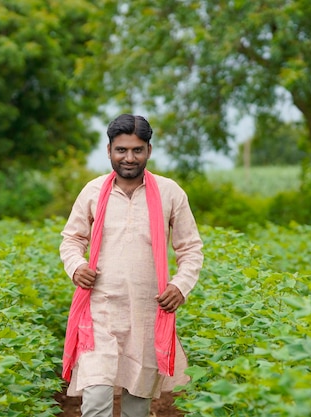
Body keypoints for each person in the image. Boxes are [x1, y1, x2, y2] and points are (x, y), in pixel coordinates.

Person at [59, 113, 204, 417]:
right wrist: (76, 266)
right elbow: (71, 239)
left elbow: (190, 248)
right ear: (109, 150)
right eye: (121, 150)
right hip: (100, 313)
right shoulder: (93, 192)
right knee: (95, 401)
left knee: (136, 409)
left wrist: (180, 285)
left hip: (147, 315)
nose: (129, 157)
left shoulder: (170, 193)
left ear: (148, 151)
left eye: (137, 150)